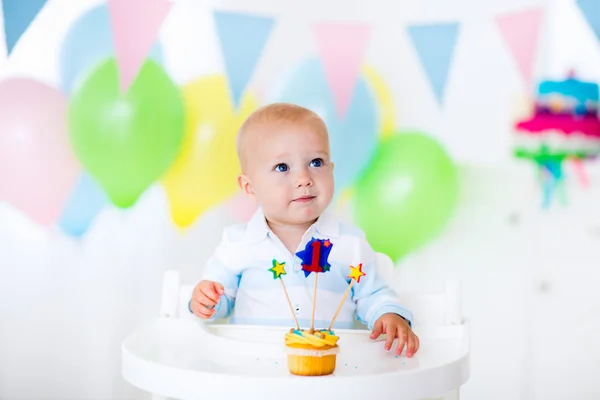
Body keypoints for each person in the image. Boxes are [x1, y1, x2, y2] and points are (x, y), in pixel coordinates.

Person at [189, 103, 419, 357]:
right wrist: (207, 301)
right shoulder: (237, 244)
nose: (304, 178)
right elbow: (220, 299)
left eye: (316, 162)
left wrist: (388, 314)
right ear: (249, 187)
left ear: (332, 169)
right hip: (254, 368)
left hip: (329, 372)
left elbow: (373, 293)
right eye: (282, 167)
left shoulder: (349, 244)